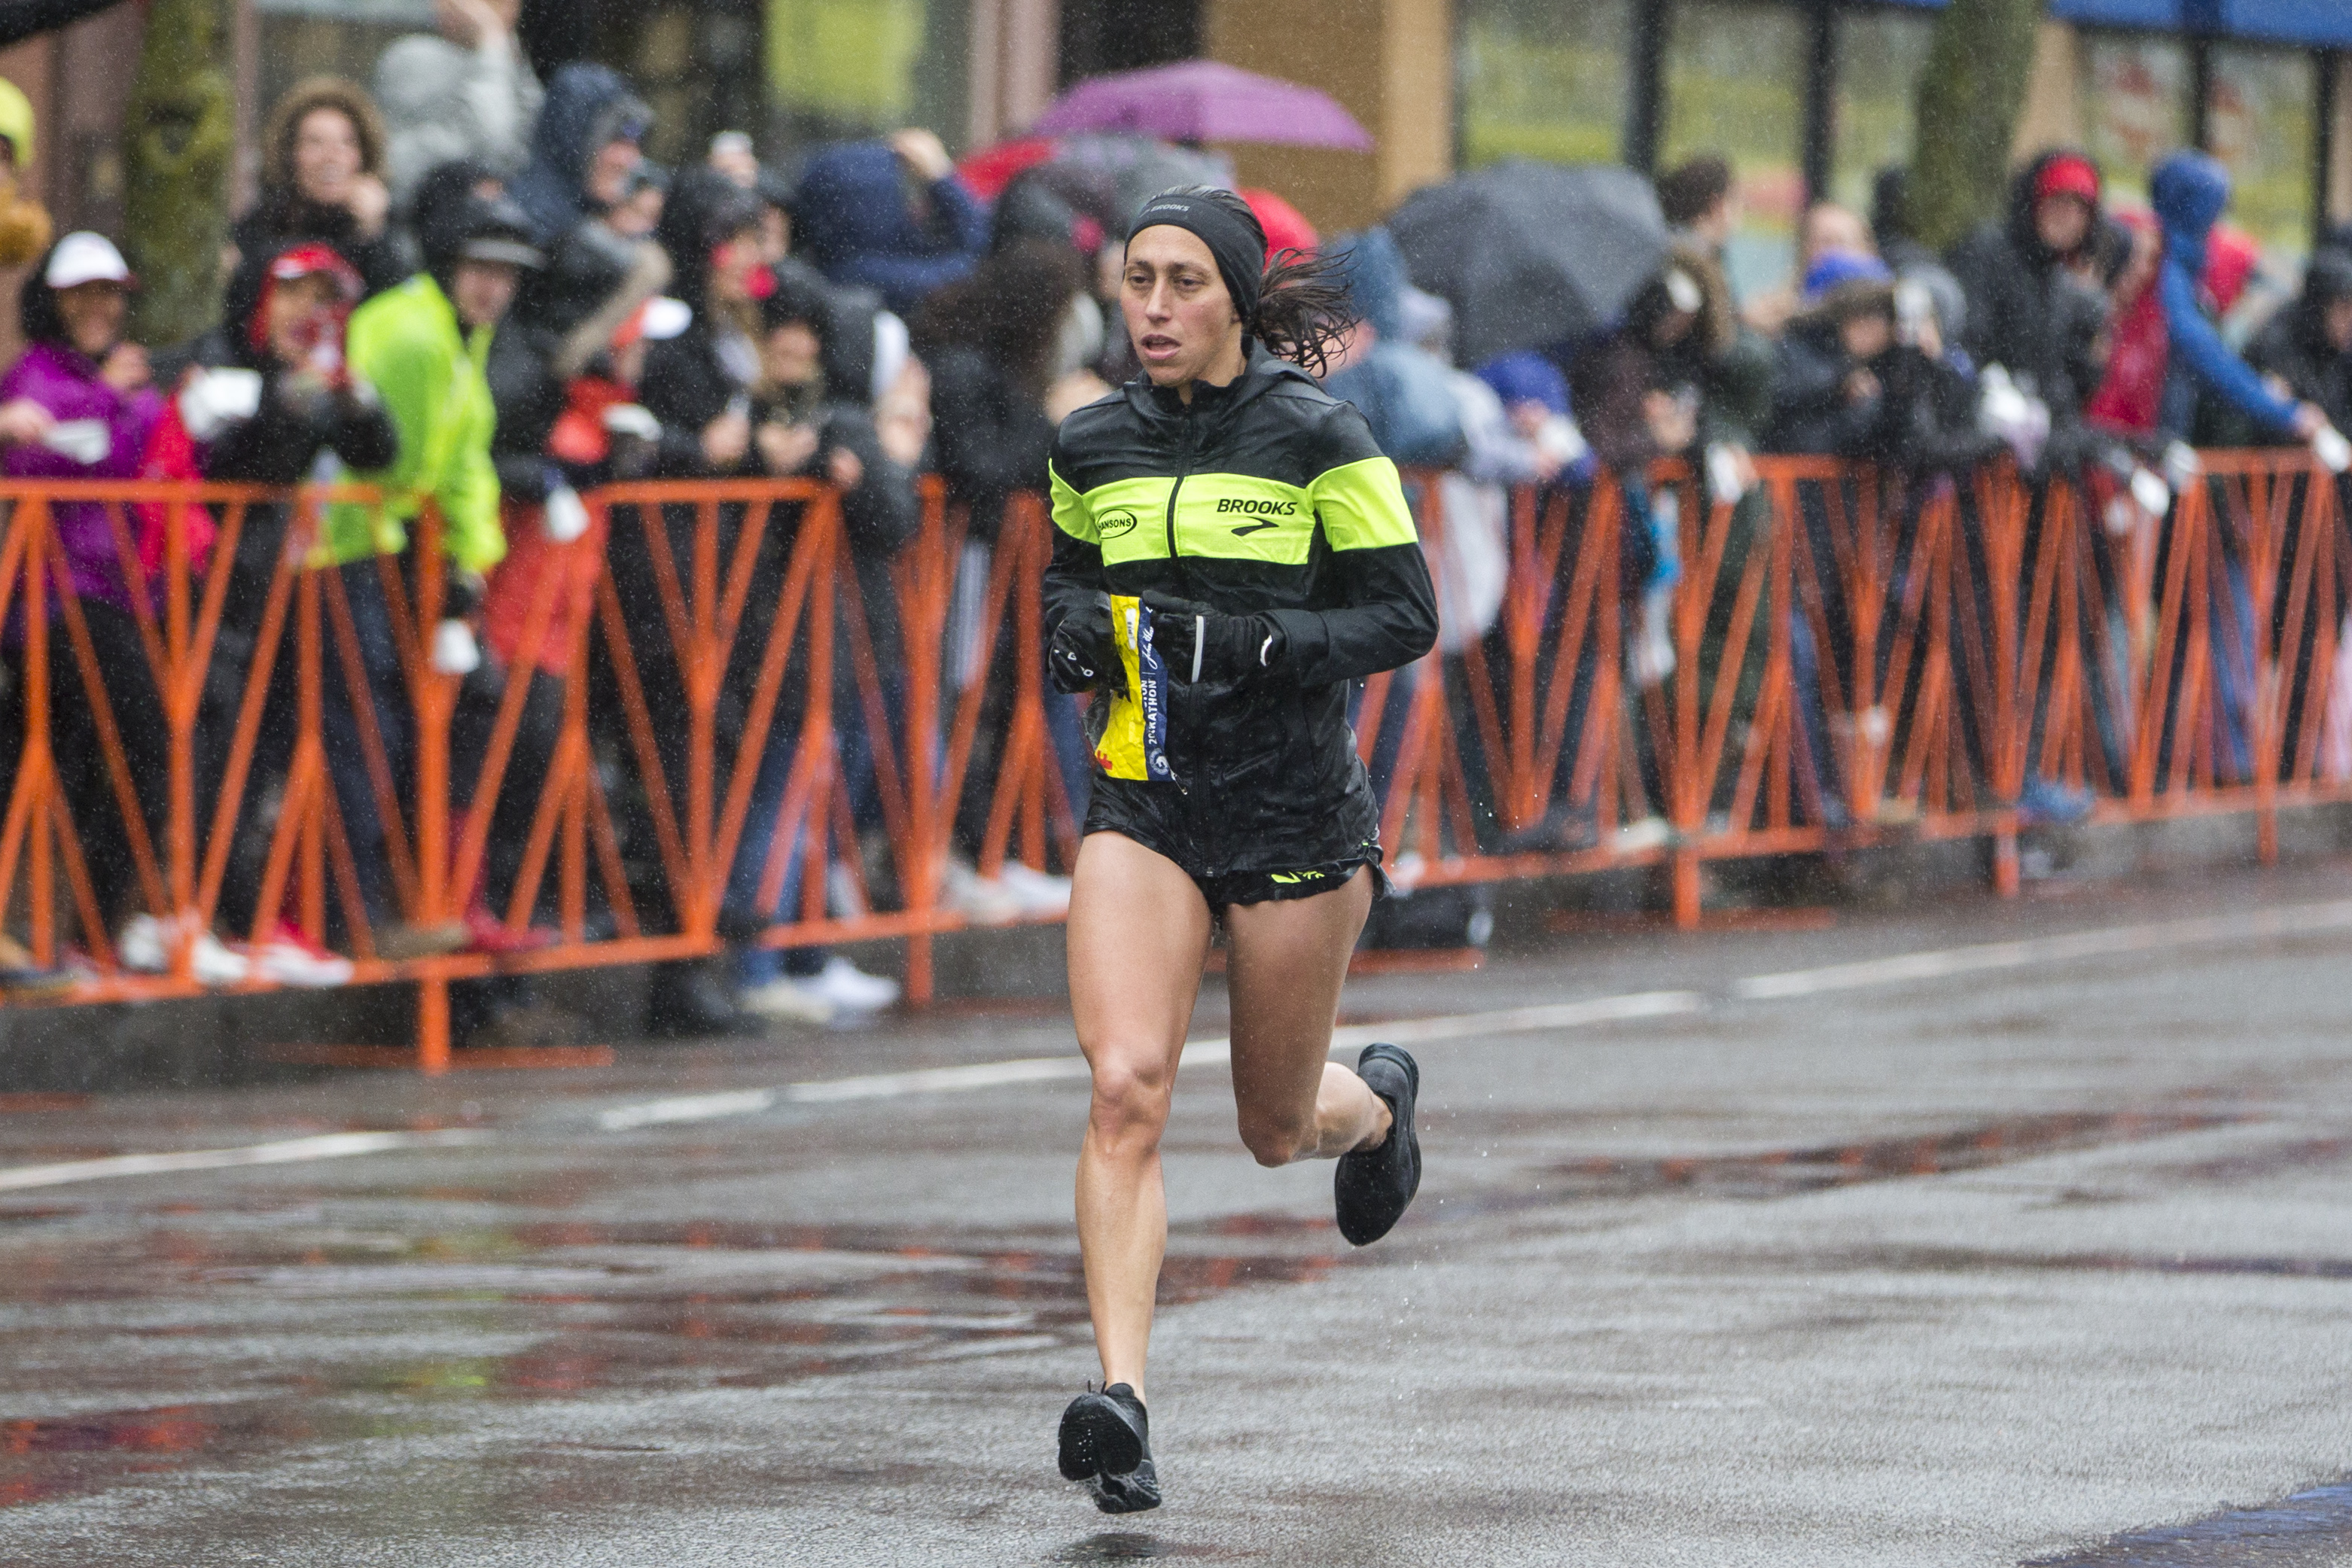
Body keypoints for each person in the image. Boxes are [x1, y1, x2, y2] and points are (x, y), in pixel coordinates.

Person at [1041, 186, 1437, 1512]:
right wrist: (1072, 634)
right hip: (1142, 801)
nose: (1151, 308)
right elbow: (1064, 575)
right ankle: (1121, 1401)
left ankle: (1373, 1101)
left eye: (1180, 284)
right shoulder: (1086, 442)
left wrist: (1267, 643)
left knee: (1274, 1126)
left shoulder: (1320, 435)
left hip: (1290, 819)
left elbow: (1403, 614)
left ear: (1232, 297)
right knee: (1123, 1086)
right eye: (1134, 281)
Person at [149, 241, 398, 985]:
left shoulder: (310, 376)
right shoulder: (220, 361)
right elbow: (236, 462)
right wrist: (287, 404)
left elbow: (377, 454)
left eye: (323, 300)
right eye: (294, 295)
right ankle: (175, 913)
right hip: (195, 586)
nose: (307, 314)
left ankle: (235, 917)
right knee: (199, 753)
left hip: (267, 594)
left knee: (256, 759)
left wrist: (355, 399)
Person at [0, 233, 231, 978]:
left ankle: (78, 936)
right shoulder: (36, 376)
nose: (98, 307)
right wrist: (113, 398)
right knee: (153, 744)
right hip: (61, 602)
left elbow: (142, 458)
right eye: (81, 294)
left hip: (120, 598)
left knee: (81, 766)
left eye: (109, 294)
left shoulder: (126, 382)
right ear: (54, 301)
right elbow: (50, 448)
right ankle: (89, 931)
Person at [322, 190, 541, 959]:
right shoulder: (415, 335)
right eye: (480, 269)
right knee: (365, 726)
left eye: (506, 274)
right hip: (351, 545)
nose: (494, 287)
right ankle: (350, 916)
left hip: (399, 548)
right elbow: (397, 465)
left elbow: (465, 465)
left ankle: (436, 900)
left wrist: (469, 564)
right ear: (449, 266)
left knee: (442, 715)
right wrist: (447, 562)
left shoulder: (459, 335)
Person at [231, 78, 405, 297]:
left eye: (346, 142)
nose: (331, 156)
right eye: (315, 142)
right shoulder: (262, 224)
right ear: (291, 155)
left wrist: (372, 233)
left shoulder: (391, 227)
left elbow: (395, 305)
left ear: (363, 156)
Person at [788, 129, 989, 317]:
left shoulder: (841, 260)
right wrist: (942, 178)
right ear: (876, 203)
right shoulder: (864, 273)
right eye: (899, 195)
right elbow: (977, 257)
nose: (911, 206)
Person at [373, 0, 543, 208]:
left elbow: (524, 147)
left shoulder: (510, 65)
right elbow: (490, 141)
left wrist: (498, 50)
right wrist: (491, 42)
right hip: (420, 212)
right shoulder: (414, 57)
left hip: (492, 217)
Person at [507, 62, 651, 251]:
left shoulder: (595, 219)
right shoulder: (525, 222)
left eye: (635, 146)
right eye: (616, 142)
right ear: (575, 138)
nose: (629, 160)